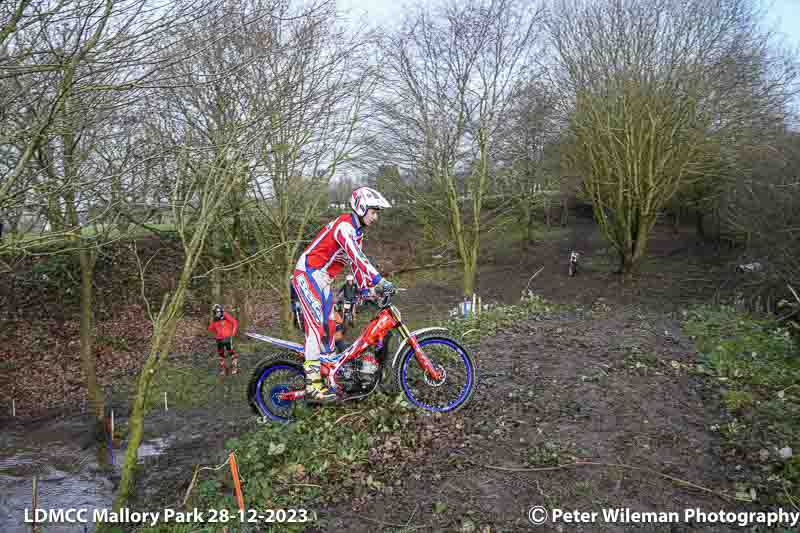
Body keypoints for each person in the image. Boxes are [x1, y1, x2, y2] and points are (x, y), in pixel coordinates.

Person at [292, 186, 393, 402]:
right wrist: (380, 281)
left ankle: (328, 373)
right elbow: (357, 258)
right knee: (317, 328)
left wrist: (367, 291)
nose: (376, 217)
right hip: (308, 273)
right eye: (373, 212)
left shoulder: (356, 233)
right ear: (362, 207)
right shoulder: (344, 227)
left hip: (323, 280)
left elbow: (356, 267)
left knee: (331, 326)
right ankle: (312, 386)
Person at [208, 304, 239, 376]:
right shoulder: (214, 319)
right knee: (221, 354)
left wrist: (233, 333)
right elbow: (210, 328)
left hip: (228, 337)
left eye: (218, 312)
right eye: (216, 312)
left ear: (221, 311)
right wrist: (216, 334)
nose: (217, 314)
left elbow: (234, 322)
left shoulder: (225, 315)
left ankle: (234, 367)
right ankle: (223, 369)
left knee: (231, 352)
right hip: (219, 339)